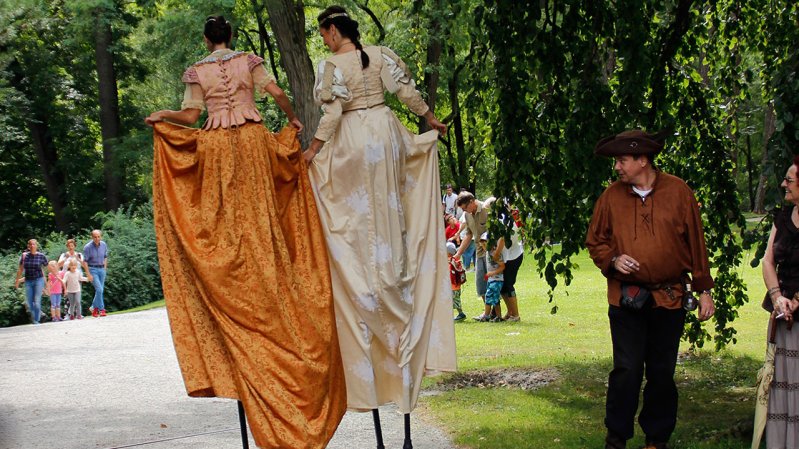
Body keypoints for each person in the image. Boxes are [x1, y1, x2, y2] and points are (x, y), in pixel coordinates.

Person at [145, 15, 346, 449]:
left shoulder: (197, 71)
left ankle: (235, 268)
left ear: (205, 39)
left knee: (227, 220)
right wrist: (292, 119)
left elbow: (191, 114)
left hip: (217, 145)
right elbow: (274, 92)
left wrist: (164, 116)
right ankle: (263, 266)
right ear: (231, 37)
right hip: (254, 141)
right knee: (262, 216)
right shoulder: (250, 62)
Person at [303, 6, 456, 443]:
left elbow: (332, 116)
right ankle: (390, 258)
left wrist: (313, 150)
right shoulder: (379, 54)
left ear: (333, 31)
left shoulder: (333, 65)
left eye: (325, 34)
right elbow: (406, 93)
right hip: (386, 133)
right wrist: (428, 119)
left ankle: (361, 261)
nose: (325, 41)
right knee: (388, 209)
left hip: (354, 139)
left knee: (353, 212)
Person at [585, 130, 716, 449]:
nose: (617, 167)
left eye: (622, 160)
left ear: (643, 160)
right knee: (627, 370)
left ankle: (656, 439)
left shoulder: (678, 191)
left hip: (668, 299)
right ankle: (616, 437)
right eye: (616, 161)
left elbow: (696, 241)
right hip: (626, 300)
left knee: (661, 372)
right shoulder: (611, 196)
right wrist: (614, 259)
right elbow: (595, 241)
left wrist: (703, 289)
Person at [760, 155, 799, 448]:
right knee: (779, 384)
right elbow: (768, 260)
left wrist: (797, 300)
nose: (783, 184)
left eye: (790, 179)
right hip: (781, 316)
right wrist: (778, 298)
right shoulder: (782, 217)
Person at [453, 191, 495, 317]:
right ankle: (488, 311)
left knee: (493, 282)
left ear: (472, 201)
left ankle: (494, 312)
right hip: (479, 251)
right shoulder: (467, 215)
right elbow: (469, 234)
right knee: (481, 283)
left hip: (491, 251)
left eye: (465, 207)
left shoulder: (486, 210)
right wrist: (458, 253)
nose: (465, 211)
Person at [14, 239, 49, 325]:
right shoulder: (24, 256)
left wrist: (47, 284)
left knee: (36, 301)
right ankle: (39, 315)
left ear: (36, 245)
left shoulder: (41, 256)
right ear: (28, 246)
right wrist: (17, 281)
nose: (33, 246)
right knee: (30, 302)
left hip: (38, 279)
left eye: (34, 244)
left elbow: (45, 270)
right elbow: (20, 269)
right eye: (31, 245)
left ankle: (36, 320)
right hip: (28, 280)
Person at [475, 232, 505, 322]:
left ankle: (487, 315)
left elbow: (502, 266)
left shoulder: (494, 253)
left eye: (485, 243)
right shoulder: (487, 253)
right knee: (494, 298)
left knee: (490, 297)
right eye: (482, 244)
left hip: (497, 279)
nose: (483, 246)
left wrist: (493, 273)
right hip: (492, 279)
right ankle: (497, 316)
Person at [83, 230, 108, 317]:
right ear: (92, 237)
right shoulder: (87, 247)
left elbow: (105, 257)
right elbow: (85, 262)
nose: (97, 239)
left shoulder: (104, 245)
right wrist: (88, 274)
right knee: (99, 289)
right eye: (95, 237)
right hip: (92, 269)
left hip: (102, 269)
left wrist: (105, 268)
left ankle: (94, 308)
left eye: (98, 237)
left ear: (100, 237)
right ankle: (102, 309)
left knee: (100, 290)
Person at [447, 242, 466, 321]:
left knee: (454, 301)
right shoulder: (455, 260)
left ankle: (461, 314)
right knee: (454, 301)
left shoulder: (450, 261)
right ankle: (459, 314)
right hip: (455, 286)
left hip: (453, 286)